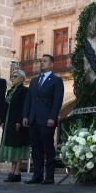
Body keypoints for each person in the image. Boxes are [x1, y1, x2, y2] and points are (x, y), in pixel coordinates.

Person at [22, 54, 64, 185]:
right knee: (35, 149)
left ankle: (49, 177)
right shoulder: (34, 81)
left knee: (48, 148)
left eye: (45, 61)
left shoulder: (56, 81)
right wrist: (25, 115)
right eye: (41, 61)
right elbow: (28, 100)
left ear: (52, 64)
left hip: (47, 120)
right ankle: (37, 175)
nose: (42, 63)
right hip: (33, 119)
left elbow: (57, 101)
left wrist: (52, 117)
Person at [0, 69, 30, 183]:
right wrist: (2, 120)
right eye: (11, 76)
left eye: (15, 76)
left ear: (22, 78)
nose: (12, 78)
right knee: (11, 146)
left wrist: (19, 121)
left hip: (18, 122)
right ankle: (12, 171)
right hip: (8, 122)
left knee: (18, 146)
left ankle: (17, 172)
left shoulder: (24, 90)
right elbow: (5, 106)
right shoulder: (10, 91)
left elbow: (23, 107)